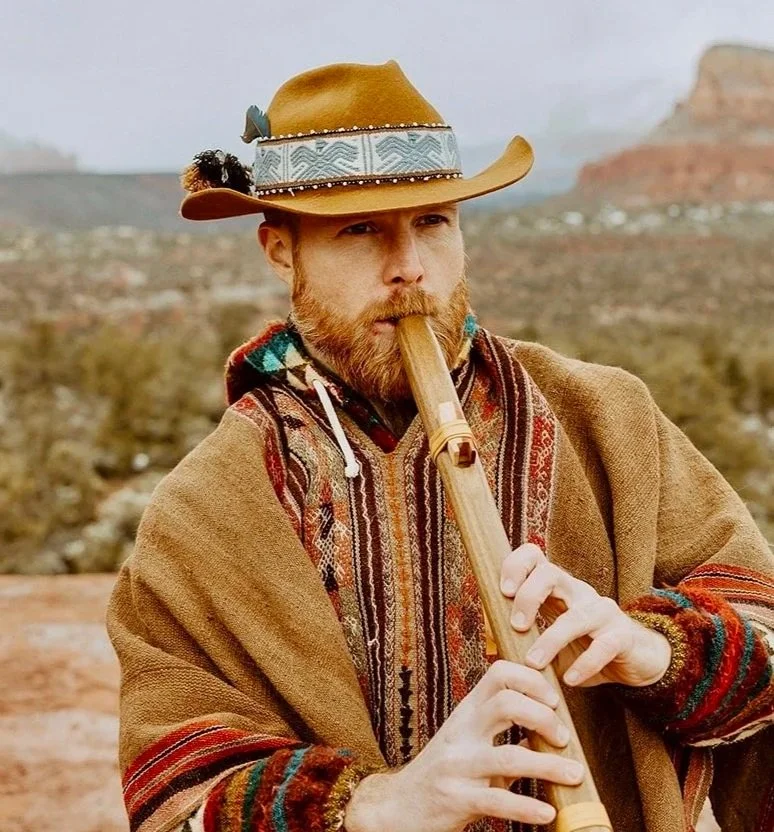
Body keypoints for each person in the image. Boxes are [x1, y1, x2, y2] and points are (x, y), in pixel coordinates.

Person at [107, 60, 774, 832]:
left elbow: (762, 631)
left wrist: (655, 652)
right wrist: (374, 806)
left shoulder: (607, 418)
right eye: (360, 230)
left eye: (432, 222)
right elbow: (178, 794)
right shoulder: (203, 508)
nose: (411, 269)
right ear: (281, 250)